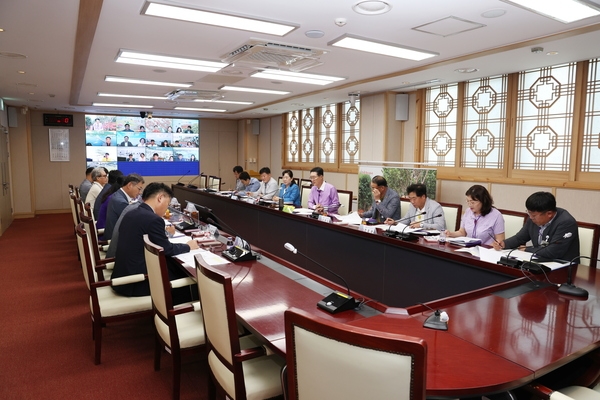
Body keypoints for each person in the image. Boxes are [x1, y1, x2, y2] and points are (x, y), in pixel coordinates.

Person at [111, 183, 199, 300]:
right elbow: (166, 249)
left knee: (174, 267)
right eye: (167, 204)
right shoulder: (153, 219)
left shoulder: (132, 213)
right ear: (160, 198)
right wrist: (188, 246)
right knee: (188, 277)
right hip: (137, 282)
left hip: (124, 275)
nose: (166, 208)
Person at [492, 192, 579, 261]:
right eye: (529, 213)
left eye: (533, 215)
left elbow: (553, 252)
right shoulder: (534, 218)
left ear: (549, 214)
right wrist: (504, 244)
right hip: (539, 261)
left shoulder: (566, 222)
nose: (530, 217)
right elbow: (520, 238)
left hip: (562, 266)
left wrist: (526, 250)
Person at [103, 173, 145, 240]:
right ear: (130, 185)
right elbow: (134, 223)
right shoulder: (120, 201)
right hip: (115, 241)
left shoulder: (119, 194)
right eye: (139, 189)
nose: (140, 192)